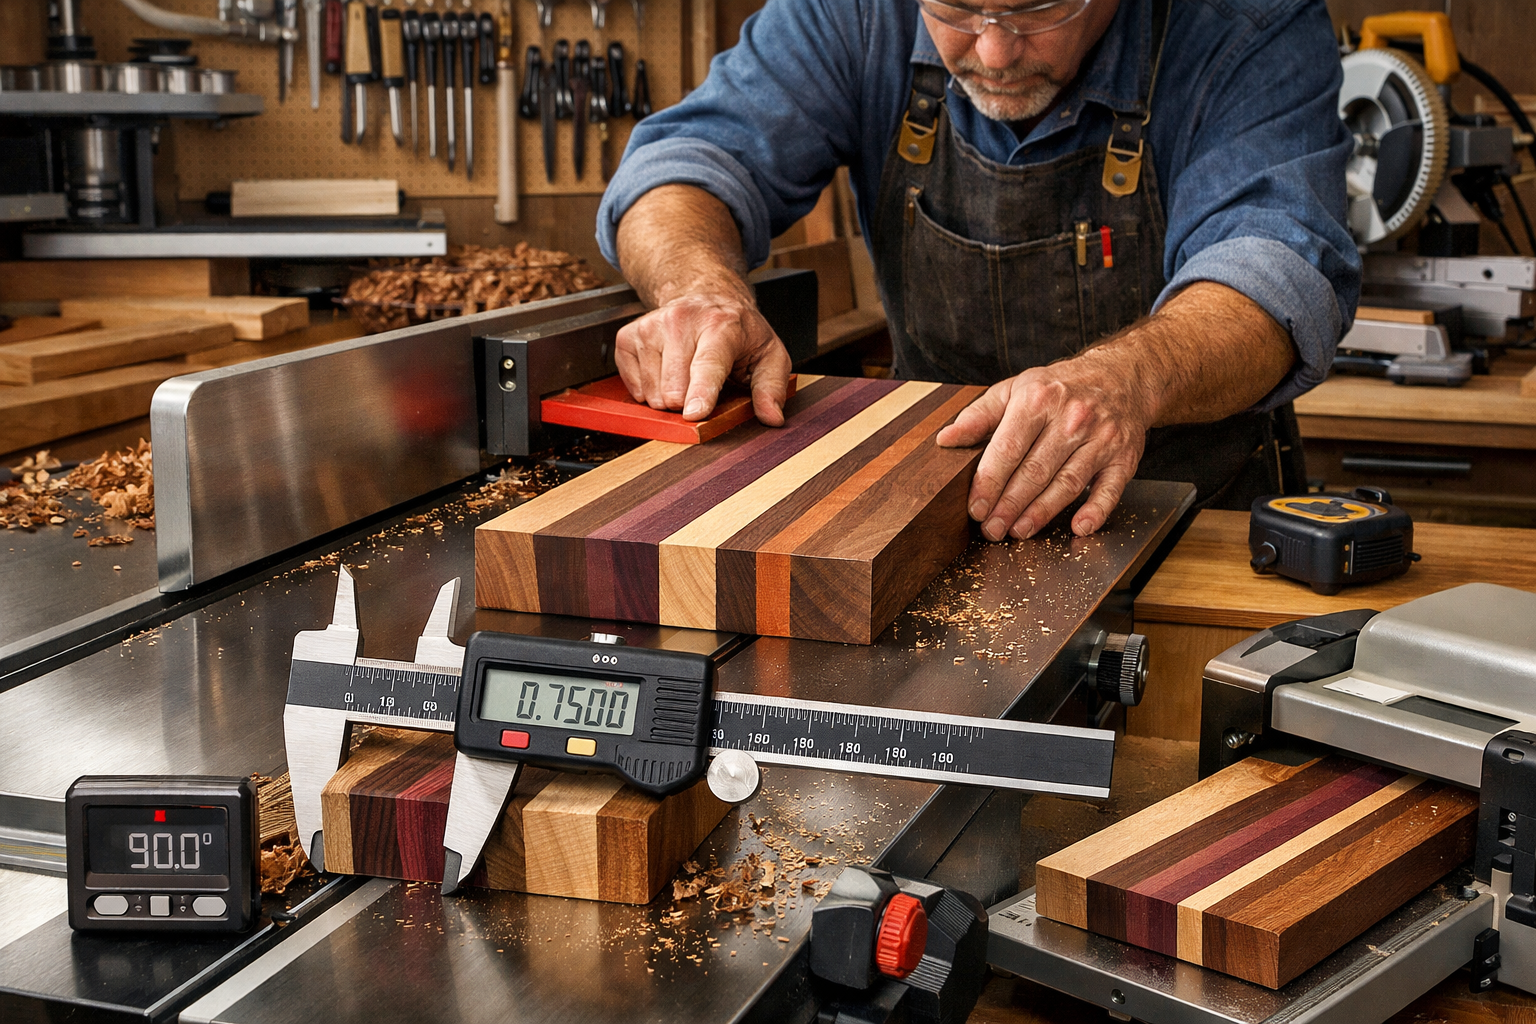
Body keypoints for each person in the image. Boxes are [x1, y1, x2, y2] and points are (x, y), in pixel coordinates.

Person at [597, 0, 1360, 541]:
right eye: (956, 10)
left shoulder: (1250, 24)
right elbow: (685, 163)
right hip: (924, 518)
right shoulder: (853, 14)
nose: (992, 52)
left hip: (1194, 514)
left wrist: (1128, 379)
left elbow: (1277, 269)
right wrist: (698, 284)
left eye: (1035, 11)